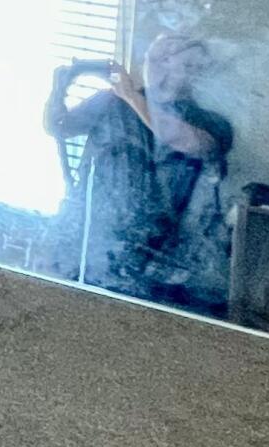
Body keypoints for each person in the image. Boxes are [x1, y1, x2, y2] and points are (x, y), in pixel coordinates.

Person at [45, 33, 237, 310]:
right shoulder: (110, 102)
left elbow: (182, 140)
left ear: (197, 72)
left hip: (153, 265)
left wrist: (131, 96)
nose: (161, 65)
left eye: (174, 59)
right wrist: (58, 89)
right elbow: (58, 126)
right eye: (156, 57)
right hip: (83, 244)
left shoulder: (213, 124)